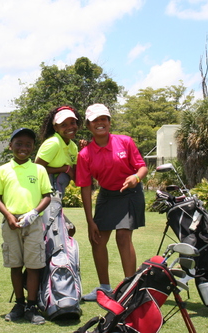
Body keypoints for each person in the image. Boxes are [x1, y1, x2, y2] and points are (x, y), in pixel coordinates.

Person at [75, 103, 148, 301]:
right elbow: (86, 187)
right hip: (107, 196)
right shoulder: (85, 154)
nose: (100, 123)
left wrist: (136, 178)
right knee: (97, 239)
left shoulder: (125, 142)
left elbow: (142, 167)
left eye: (103, 119)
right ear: (89, 126)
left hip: (130, 193)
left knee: (123, 237)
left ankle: (129, 288)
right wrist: (90, 221)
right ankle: (105, 288)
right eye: (95, 121)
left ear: (109, 122)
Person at [0, 128, 52, 325]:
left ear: (33, 147)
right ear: (10, 146)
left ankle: (31, 305)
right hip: (11, 223)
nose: (23, 148)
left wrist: (34, 213)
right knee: (15, 264)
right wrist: (9, 216)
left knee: (34, 265)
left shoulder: (39, 169)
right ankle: (19, 303)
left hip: (33, 222)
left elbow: (47, 196)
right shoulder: (3, 170)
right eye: (19, 143)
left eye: (28, 144)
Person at [35, 105, 82, 235]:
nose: (70, 127)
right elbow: (36, 168)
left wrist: (84, 153)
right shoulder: (53, 143)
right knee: (61, 231)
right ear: (55, 127)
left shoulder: (72, 146)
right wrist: (62, 169)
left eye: (72, 123)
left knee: (68, 230)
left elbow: (78, 178)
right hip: (45, 197)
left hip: (57, 197)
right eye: (64, 125)